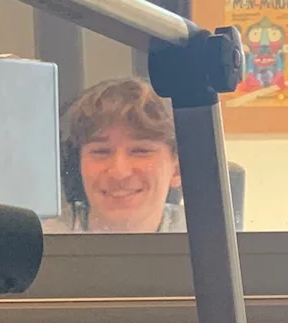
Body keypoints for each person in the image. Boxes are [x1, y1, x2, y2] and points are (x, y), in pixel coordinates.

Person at [44, 77, 185, 233]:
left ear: (177, 169)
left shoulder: (204, 235)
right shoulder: (39, 239)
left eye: (140, 151)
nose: (119, 172)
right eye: (101, 151)